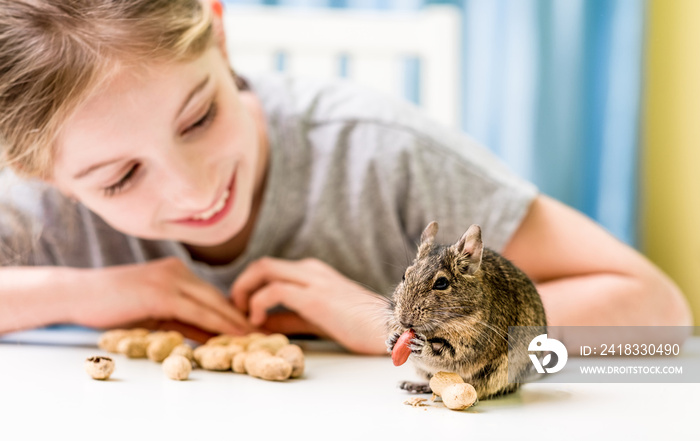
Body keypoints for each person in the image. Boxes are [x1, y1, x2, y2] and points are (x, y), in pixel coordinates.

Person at [0, 0, 691, 355]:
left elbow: (656, 313)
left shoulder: (379, 155)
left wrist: (405, 330)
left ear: (219, 30)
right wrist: (91, 290)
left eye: (200, 117)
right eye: (119, 178)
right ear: (41, 173)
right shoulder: (42, 199)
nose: (193, 190)